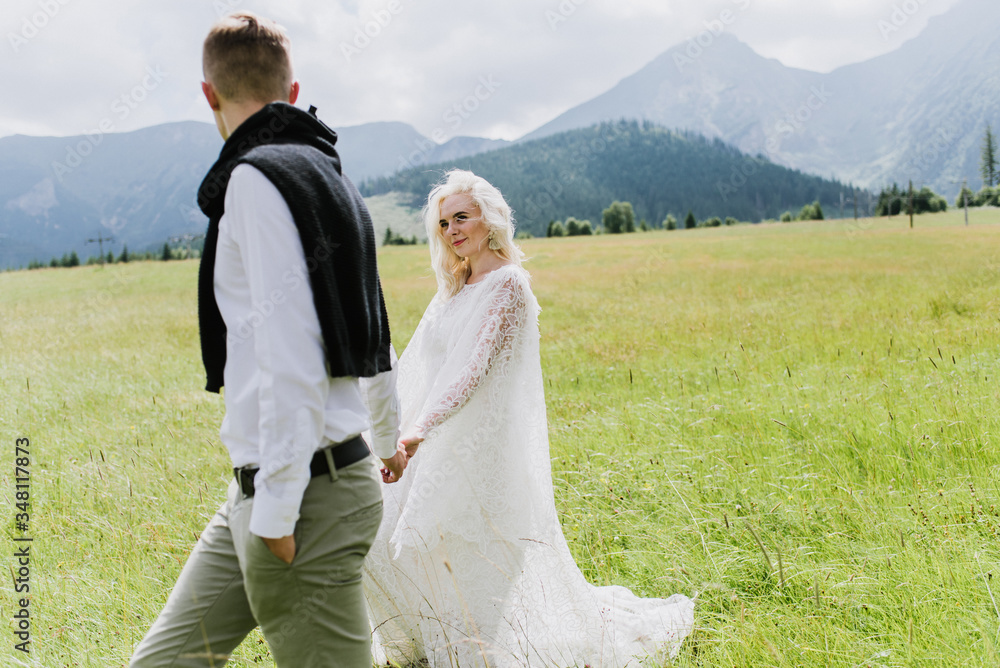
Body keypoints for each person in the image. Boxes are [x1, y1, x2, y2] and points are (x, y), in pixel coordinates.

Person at [130, 12, 407, 667]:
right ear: (292, 88)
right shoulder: (330, 175)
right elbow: (373, 325)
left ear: (209, 95)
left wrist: (280, 514)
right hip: (261, 492)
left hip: (302, 498)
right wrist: (389, 437)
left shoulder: (256, 180)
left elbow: (292, 351)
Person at [363, 170, 695, 667]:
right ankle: (425, 645)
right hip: (431, 437)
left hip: (477, 447)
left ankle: (480, 651)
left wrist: (415, 434)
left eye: (461, 218)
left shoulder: (508, 285)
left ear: (488, 220)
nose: (452, 230)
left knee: (463, 550)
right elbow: (421, 363)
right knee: (397, 539)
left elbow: (469, 373)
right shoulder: (455, 285)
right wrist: (380, 428)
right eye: (443, 223)